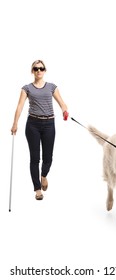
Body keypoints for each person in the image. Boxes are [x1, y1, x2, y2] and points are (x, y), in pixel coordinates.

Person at [11, 60, 69, 200]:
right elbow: (19, 106)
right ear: (32, 71)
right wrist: (15, 123)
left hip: (49, 124)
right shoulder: (27, 88)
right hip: (33, 125)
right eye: (36, 68)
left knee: (48, 157)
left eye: (41, 68)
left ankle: (44, 176)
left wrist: (64, 111)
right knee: (34, 158)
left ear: (44, 70)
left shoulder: (51, 87)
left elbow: (62, 103)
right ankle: (37, 189)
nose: (38, 71)